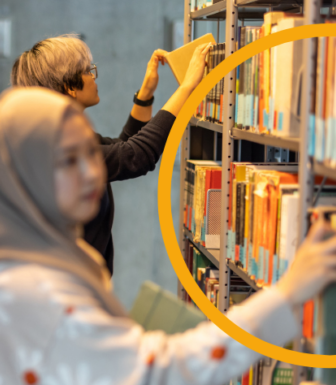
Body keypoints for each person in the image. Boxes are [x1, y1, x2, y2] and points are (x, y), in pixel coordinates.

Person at [0, 87, 336, 385]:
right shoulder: (29, 285)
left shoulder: (36, 257)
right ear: (21, 176)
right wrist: (287, 294)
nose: (92, 172)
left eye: (89, 152)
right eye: (67, 160)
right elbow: (157, 372)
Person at [11, 35, 199, 275]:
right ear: (70, 86)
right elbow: (136, 156)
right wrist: (187, 88)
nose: (94, 77)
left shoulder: (62, 138)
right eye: (89, 71)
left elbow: (123, 147)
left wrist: (147, 91)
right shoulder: (61, 153)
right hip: (71, 286)